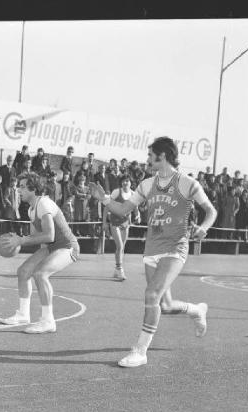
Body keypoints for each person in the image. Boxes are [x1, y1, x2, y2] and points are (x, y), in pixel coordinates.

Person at [89, 136, 216, 368]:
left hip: (175, 247)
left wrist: (203, 228)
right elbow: (124, 208)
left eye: (151, 156)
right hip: (151, 249)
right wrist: (105, 199)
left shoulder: (187, 183)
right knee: (164, 306)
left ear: (163, 156)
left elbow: (210, 211)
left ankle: (140, 351)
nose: (148, 160)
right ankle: (197, 309)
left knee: (150, 295)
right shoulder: (146, 184)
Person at [0, 172, 80, 334]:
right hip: (51, 247)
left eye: (22, 187)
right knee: (23, 271)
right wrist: (19, 242)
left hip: (68, 246)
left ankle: (48, 321)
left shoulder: (43, 203)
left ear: (33, 189)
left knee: (40, 274)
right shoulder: (31, 209)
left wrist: (21, 240)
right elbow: (38, 238)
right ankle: (23, 314)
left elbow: (49, 235)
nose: (18, 190)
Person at [105, 175, 141, 281]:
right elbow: (107, 205)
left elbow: (135, 208)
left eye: (127, 181)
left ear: (130, 183)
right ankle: (120, 270)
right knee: (120, 246)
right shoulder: (116, 192)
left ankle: (117, 269)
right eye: (123, 181)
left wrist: (138, 215)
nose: (125, 183)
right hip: (115, 221)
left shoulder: (133, 194)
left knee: (121, 248)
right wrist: (104, 223)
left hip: (125, 223)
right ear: (121, 183)